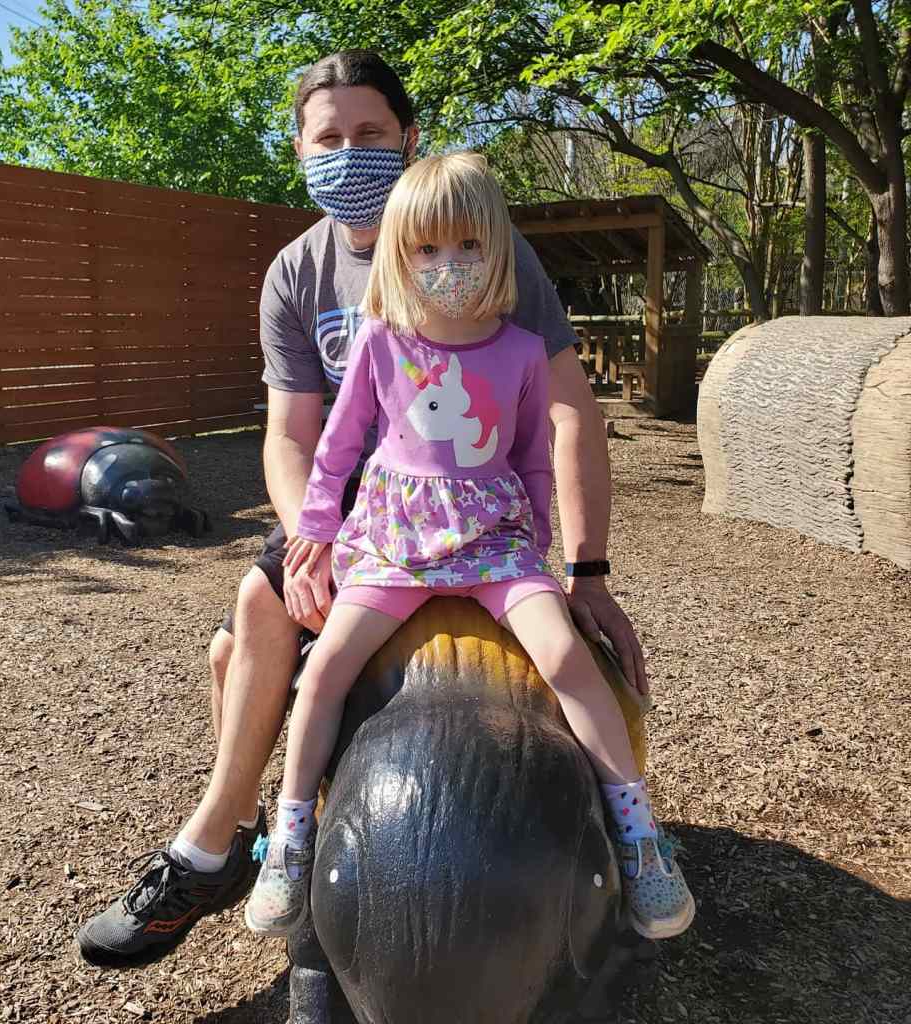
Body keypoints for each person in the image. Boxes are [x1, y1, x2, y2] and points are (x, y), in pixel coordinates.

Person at [76, 49, 648, 968]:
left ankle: (215, 849)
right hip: (357, 507)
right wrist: (312, 537)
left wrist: (587, 568)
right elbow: (293, 435)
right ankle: (239, 842)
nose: (349, 153)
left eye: (370, 132)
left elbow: (567, 410)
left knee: (249, 628)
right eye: (328, 137)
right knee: (242, 635)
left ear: (408, 138)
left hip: (473, 509)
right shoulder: (297, 272)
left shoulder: (483, 243)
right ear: (300, 151)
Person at [241, 153, 694, 941]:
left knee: (565, 655)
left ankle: (638, 835)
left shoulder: (520, 350)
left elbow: (530, 454)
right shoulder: (379, 343)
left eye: (468, 246)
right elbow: (337, 447)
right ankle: (291, 835)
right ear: (400, 253)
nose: (448, 265)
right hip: (395, 541)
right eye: (427, 248)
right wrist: (316, 528)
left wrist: (537, 542)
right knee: (326, 670)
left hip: (494, 542)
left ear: (497, 249)